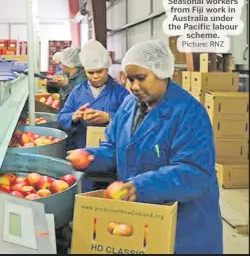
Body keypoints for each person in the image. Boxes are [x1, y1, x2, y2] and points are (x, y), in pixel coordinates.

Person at [66, 40, 222, 254]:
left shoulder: (189, 113)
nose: (134, 86)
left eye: (141, 78)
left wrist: (141, 186)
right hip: (143, 218)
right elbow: (114, 147)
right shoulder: (130, 105)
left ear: (163, 72)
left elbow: (194, 171)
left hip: (185, 225)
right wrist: (90, 156)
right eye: (129, 79)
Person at [57, 40, 129, 191]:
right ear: (84, 71)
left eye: (100, 71)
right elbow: (61, 118)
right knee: (85, 194)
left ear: (107, 69)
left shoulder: (120, 93)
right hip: (82, 154)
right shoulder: (77, 92)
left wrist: (109, 118)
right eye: (91, 72)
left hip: (112, 160)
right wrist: (74, 116)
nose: (96, 76)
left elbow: (132, 121)